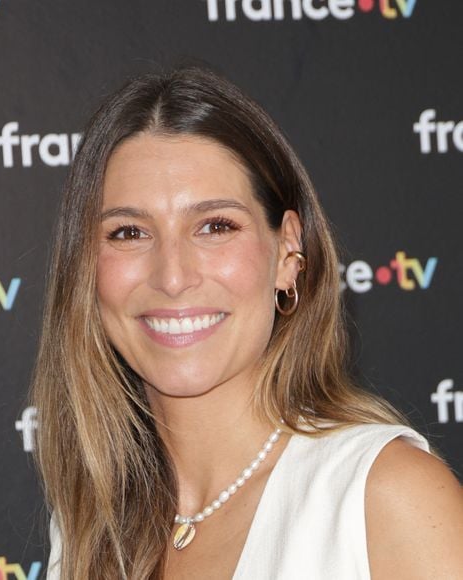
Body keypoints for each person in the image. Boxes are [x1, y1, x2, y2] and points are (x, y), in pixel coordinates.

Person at [30, 65, 463, 579]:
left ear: (287, 251)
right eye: (128, 233)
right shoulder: (88, 522)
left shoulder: (385, 499)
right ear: (84, 267)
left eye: (215, 226)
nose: (172, 276)